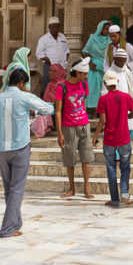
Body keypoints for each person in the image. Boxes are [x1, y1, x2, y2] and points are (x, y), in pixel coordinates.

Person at [0, 67, 54, 237]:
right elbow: (48, 109)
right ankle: (7, 228)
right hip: (20, 146)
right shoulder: (25, 97)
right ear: (22, 83)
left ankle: (16, 222)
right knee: (16, 188)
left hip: (2, 148)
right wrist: (33, 112)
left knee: (9, 188)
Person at [93, 66, 133, 208]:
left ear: (106, 83)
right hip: (124, 138)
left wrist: (95, 136)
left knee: (111, 169)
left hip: (109, 139)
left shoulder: (103, 99)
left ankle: (114, 199)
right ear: (117, 81)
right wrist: (124, 116)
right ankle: (124, 193)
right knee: (125, 167)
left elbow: (103, 120)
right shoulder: (125, 97)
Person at [56, 59, 94, 200]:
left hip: (84, 125)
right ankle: (72, 188)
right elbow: (58, 111)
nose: (86, 76)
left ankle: (86, 188)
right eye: (84, 74)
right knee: (70, 160)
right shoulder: (62, 87)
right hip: (68, 127)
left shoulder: (84, 84)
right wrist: (60, 134)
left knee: (86, 158)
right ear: (77, 72)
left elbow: (82, 102)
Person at [82, 21, 111, 112]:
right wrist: (90, 63)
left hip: (105, 66)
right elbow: (85, 51)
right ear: (100, 28)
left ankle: (102, 110)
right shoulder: (92, 38)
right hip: (93, 66)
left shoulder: (110, 39)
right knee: (92, 88)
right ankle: (93, 110)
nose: (107, 31)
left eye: (109, 29)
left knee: (104, 89)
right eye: (106, 29)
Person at [36, 16, 70, 90]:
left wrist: (65, 62)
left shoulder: (62, 37)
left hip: (62, 66)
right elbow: (39, 54)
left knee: (61, 87)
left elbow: (67, 51)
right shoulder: (43, 39)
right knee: (48, 86)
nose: (55, 29)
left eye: (57, 27)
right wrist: (52, 62)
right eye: (53, 27)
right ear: (49, 27)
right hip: (50, 67)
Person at [31, 64, 63, 139]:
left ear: (56, 72)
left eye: (50, 71)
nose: (48, 73)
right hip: (48, 105)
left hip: (57, 106)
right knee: (33, 110)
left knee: (41, 112)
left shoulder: (62, 84)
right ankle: (34, 128)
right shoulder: (50, 84)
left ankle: (40, 132)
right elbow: (46, 98)